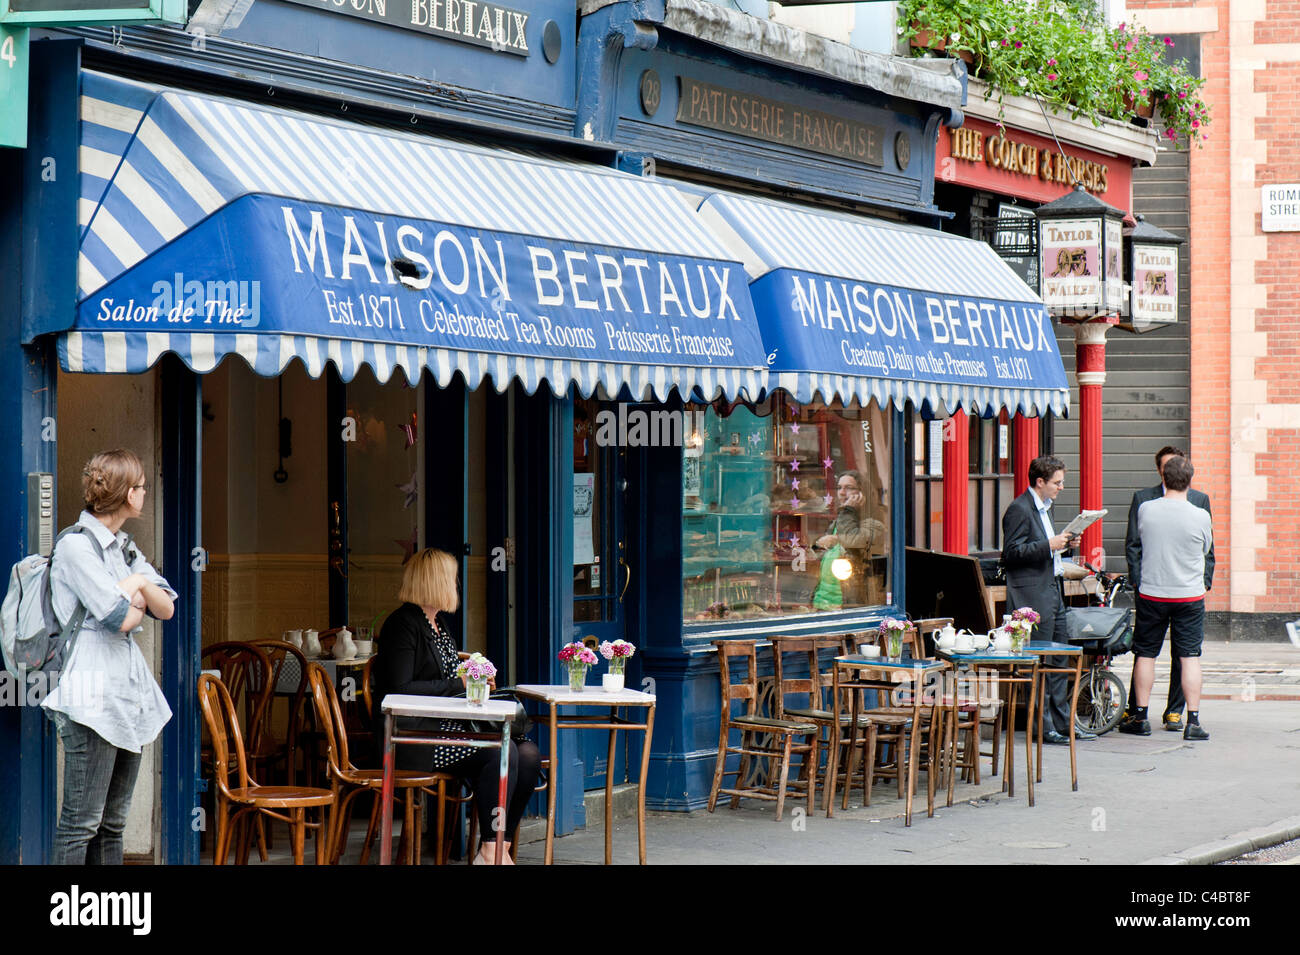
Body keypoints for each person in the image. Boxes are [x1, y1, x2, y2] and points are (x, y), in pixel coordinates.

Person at [42, 450, 177, 865]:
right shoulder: (76, 547)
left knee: (112, 824)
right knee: (80, 824)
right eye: (140, 486)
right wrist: (137, 593)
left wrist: (135, 582)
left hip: (127, 699)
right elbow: (120, 616)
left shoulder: (124, 547)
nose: (145, 492)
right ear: (126, 495)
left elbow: (167, 606)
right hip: (92, 701)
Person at [372, 548, 540, 865]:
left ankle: (499, 845)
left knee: (527, 754)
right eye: (451, 577)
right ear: (435, 581)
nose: (455, 583)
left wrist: (476, 681)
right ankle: (490, 848)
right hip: (411, 737)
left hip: (445, 728)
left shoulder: (438, 625)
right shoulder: (403, 625)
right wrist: (460, 684)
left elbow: (449, 677)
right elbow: (399, 688)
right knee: (497, 754)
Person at [1001, 455, 1096, 744]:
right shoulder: (1019, 509)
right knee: (1039, 660)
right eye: (1057, 482)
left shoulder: (1045, 507)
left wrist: (1063, 545)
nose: (1061, 487)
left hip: (1052, 589)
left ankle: (1062, 723)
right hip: (1031, 594)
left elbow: (1040, 548)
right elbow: (1011, 554)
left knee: (1058, 658)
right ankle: (1043, 727)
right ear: (1040, 482)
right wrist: (1049, 545)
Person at [1120, 456, 1212, 741]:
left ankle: (1140, 716)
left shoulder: (1146, 509)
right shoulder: (1201, 515)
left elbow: (1142, 540)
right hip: (1189, 594)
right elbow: (1205, 548)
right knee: (1189, 657)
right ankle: (1192, 720)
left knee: (1145, 654)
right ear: (1189, 481)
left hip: (1152, 592)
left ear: (1164, 478)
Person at [811, 470, 887, 610]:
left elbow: (851, 540)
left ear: (863, 493)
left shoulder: (874, 524)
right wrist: (817, 545)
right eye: (839, 487)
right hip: (822, 601)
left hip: (846, 603)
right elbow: (819, 552)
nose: (842, 492)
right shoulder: (840, 521)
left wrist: (848, 510)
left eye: (849, 488)